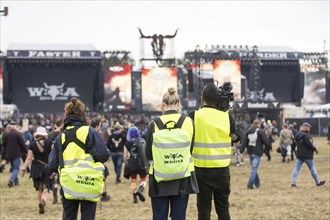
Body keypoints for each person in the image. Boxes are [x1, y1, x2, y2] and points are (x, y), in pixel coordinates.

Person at [48, 97, 110, 220]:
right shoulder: (89, 132)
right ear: (83, 115)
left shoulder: (60, 137)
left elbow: (53, 164)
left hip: (68, 184)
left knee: (68, 216)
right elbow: (103, 155)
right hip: (88, 181)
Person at [146, 87, 199, 220]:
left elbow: (148, 154)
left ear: (163, 105)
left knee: (159, 216)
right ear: (178, 104)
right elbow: (190, 149)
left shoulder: (154, 124)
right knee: (179, 216)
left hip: (159, 177)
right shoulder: (188, 122)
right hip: (182, 176)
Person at [189, 83, 240, 220]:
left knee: (203, 210)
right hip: (221, 170)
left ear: (202, 99)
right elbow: (237, 141)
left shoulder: (193, 116)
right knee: (223, 209)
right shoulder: (227, 117)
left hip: (201, 170)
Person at [21, 126, 53, 214]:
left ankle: (40, 203)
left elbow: (29, 158)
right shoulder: (50, 142)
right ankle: (43, 201)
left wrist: (23, 168)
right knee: (47, 188)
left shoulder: (32, 144)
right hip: (47, 167)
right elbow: (54, 155)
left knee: (39, 188)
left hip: (36, 167)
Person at [291, 122, 325, 187]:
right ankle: (318, 182)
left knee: (296, 169)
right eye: (309, 127)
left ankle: (293, 183)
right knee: (312, 169)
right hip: (308, 156)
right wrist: (315, 148)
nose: (309, 129)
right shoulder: (306, 136)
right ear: (306, 128)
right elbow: (310, 145)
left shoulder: (297, 135)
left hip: (299, 156)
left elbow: (294, 144)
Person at [241, 119, 271, 190]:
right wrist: (269, 146)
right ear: (258, 124)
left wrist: (241, 151)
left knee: (254, 169)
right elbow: (265, 141)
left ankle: (257, 184)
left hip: (250, 152)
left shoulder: (248, 131)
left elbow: (244, 142)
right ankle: (250, 185)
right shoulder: (260, 131)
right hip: (257, 152)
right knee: (254, 169)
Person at [123, 126, 148, 204]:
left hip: (132, 164)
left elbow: (125, 156)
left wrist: (127, 163)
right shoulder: (142, 141)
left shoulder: (127, 143)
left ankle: (135, 199)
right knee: (144, 179)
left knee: (133, 181)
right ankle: (140, 190)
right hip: (141, 164)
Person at [90, 117, 111, 202]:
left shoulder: (88, 133)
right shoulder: (97, 135)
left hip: (89, 160)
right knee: (103, 175)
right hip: (98, 160)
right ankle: (103, 193)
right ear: (98, 125)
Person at [3, 121, 27, 187]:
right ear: (16, 126)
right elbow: (23, 144)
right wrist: (26, 152)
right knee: (16, 169)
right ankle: (11, 180)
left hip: (9, 153)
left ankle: (16, 183)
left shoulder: (6, 134)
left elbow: (4, 144)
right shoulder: (18, 134)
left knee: (14, 168)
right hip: (16, 153)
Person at [48, 117, 64, 204]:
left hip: (52, 158)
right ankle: (62, 196)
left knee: (55, 179)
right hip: (61, 158)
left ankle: (55, 196)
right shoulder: (62, 134)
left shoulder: (50, 134)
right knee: (62, 179)